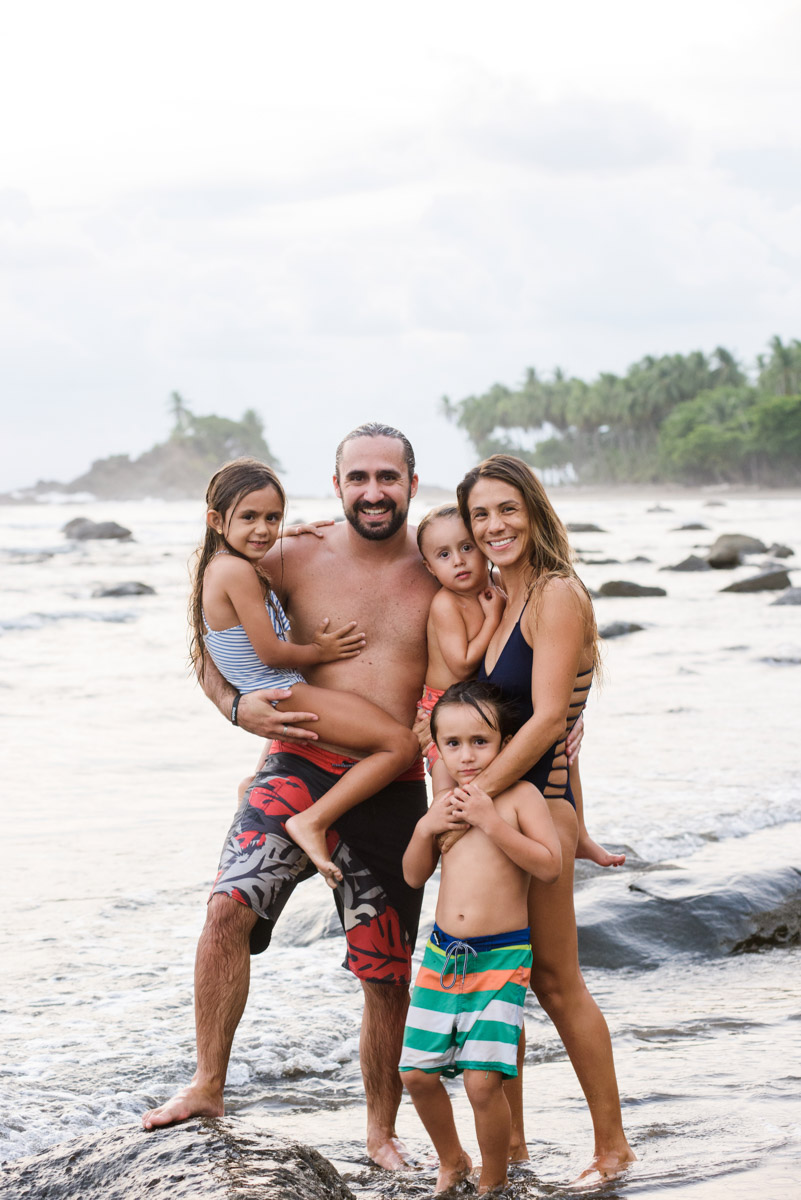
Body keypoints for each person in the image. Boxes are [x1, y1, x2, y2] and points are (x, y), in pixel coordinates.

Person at [142, 424, 440, 1169]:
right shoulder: (286, 553)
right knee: (225, 911)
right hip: (295, 765)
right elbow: (207, 632)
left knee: (386, 970)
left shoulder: (441, 562)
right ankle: (208, 1083)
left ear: (411, 481)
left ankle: (379, 1134)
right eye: (358, 477)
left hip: (389, 786)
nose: (373, 491)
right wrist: (232, 707)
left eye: (388, 477)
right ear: (336, 484)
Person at [449, 454, 635, 1181]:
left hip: (522, 815)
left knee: (556, 982)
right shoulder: (504, 601)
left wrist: (474, 800)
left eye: (505, 509)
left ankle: (612, 1148)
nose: (493, 526)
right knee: (502, 982)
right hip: (514, 811)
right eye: (479, 515)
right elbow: (547, 728)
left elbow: (552, 717)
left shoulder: (555, 595)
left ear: (532, 510)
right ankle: (516, 1147)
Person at [191, 456, 419, 885]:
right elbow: (272, 652)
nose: (263, 529)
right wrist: (322, 650)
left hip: (275, 688)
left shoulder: (223, 566)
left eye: (273, 518)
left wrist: (283, 539)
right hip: (279, 687)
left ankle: (253, 785)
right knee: (400, 745)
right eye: (250, 518)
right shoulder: (237, 572)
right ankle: (312, 821)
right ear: (216, 520)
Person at [399, 681, 561, 1195]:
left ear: (507, 743)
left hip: (502, 959)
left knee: (483, 1081)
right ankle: (453, 1160)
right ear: (439, 747)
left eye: (480, 741)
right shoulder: (444, 802)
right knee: (417, 1075)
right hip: (442, 956)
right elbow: (412, 877)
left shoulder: (519, 798)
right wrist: (425, 829)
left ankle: (494, 1181)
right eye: (453, 744)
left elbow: (550, 866)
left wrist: (491, 822)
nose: (466, 755)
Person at [415, 505, 505, 771]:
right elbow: (462, 664)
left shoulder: (499, 584)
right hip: (443, 706)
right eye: (444, 554)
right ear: (430, 567)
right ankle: (439, 812)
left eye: (467, 547)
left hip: (479, 706)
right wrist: (493, 619)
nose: (458, 560)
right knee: (446, 777)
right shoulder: (447, 603)